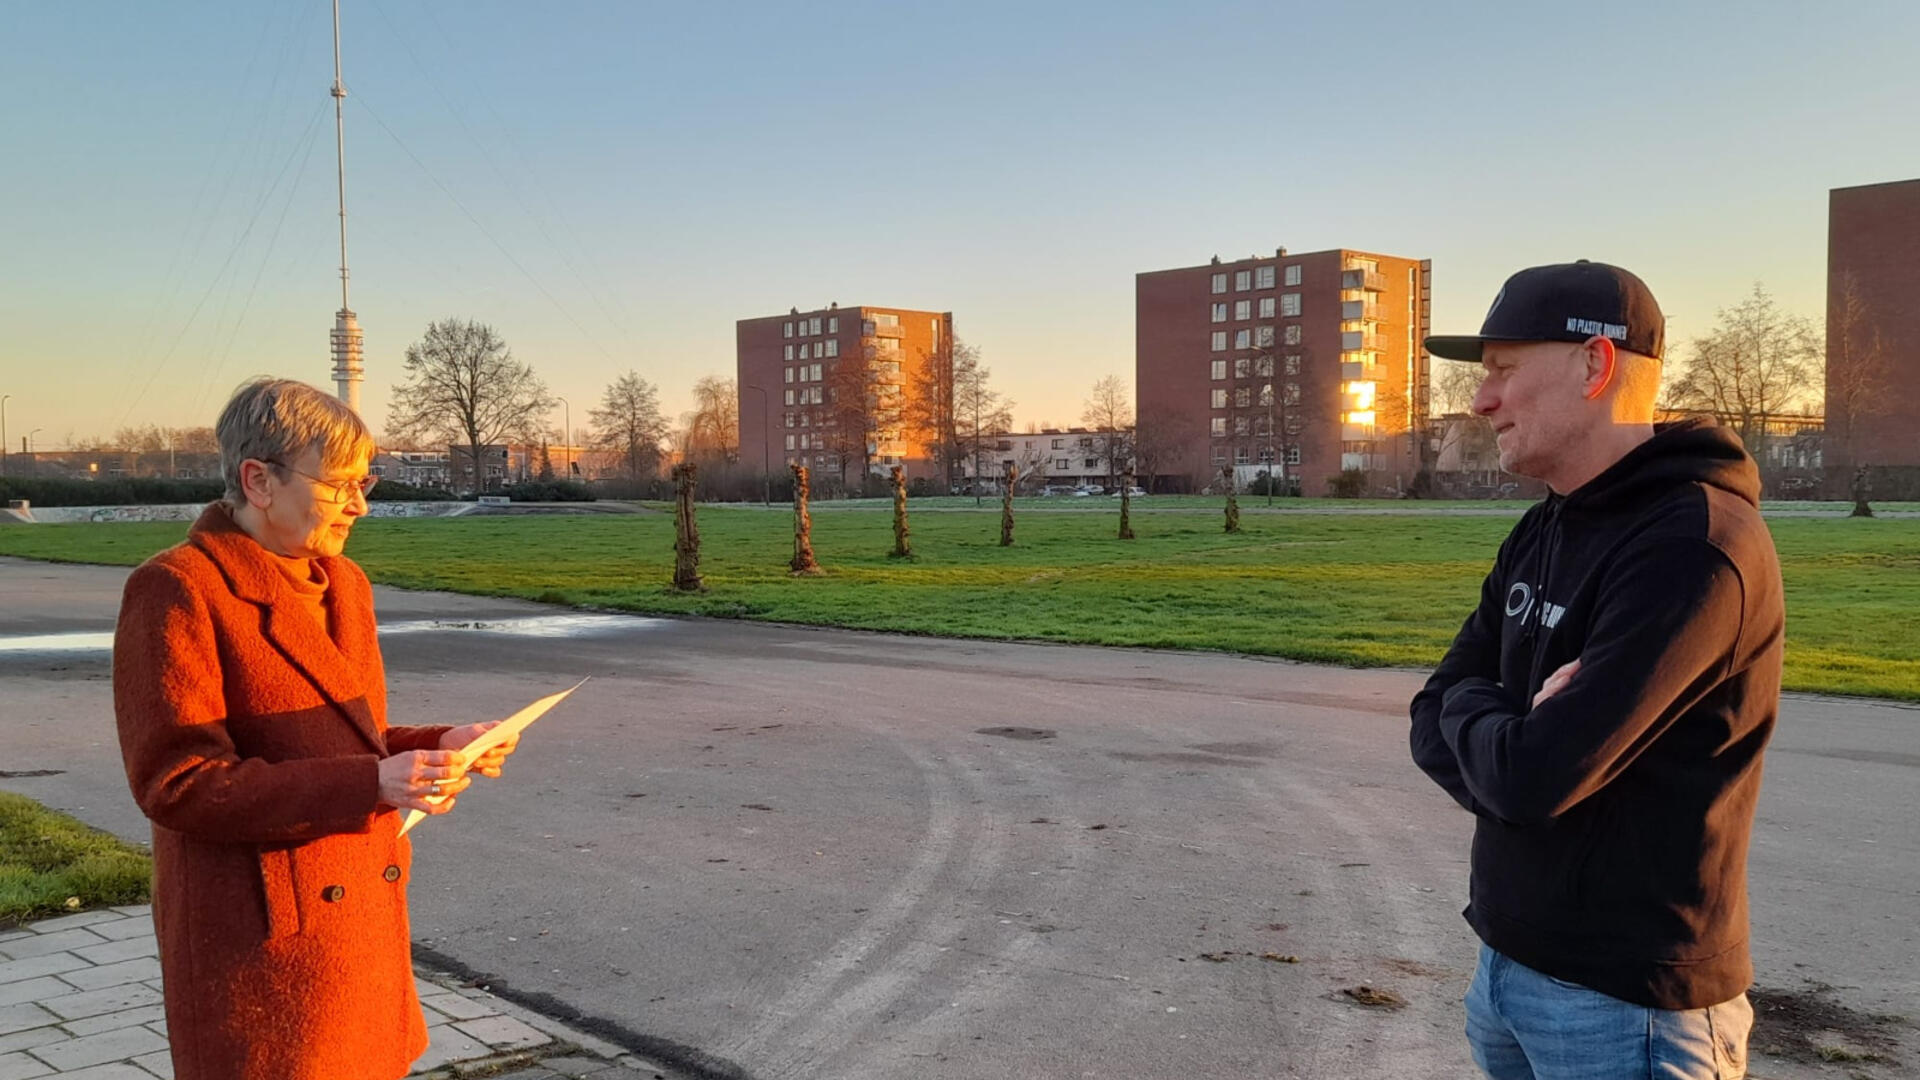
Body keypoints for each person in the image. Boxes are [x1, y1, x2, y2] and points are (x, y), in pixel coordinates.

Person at [1409, 262, 1782, 1079]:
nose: (1481, 400)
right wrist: (1501, 718)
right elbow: (1430, 714)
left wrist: (1504, 736)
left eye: (1503, 370)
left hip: (1632, 1010)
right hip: (1505, 967)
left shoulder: (1693, 546)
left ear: (1595, 365)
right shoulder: (1543, 527)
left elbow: (1533, 778)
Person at [113, 378, 520, 1080]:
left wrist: (436, 744)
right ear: (258, 480)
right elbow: (177, 784)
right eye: (339, 486)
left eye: (366, 483)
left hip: (359, 927)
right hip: (263, 946)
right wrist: (371, 782)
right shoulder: (178, 588)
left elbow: (343, 738)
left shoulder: (344, 584)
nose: (360, 504)